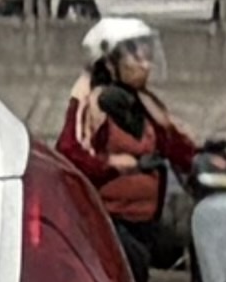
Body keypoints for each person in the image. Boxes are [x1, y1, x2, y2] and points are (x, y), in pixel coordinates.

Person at [56, 14, 203, 268]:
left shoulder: (146, 102)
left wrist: (216, 160)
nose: (146, 65)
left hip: (147, 222)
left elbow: (175, 145)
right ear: (110, 61)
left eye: (148, 57)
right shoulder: (90, 101)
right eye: (137, 58)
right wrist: (110, 163)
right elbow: (69, 152)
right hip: (109, 224)